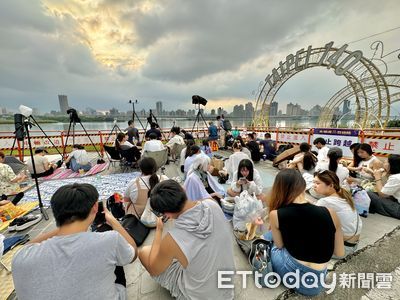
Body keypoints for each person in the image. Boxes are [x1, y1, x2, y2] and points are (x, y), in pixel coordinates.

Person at [12, 183, 137, 300]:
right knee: (116, 257)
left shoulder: (21, 257)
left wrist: (62, 228)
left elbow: (28, 246)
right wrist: (113, 221)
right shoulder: (110, 240)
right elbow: (133, 254)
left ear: (55, 211)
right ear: (94, 207)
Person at [139, 180, 235, 300]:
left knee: (144, 252)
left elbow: (154, 269)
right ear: (183, 190)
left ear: (167, 214)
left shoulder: (172, 239)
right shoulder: (212, 204)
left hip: (201, 296)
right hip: (227, 288)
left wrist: (159, 230)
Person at [268, 169, 344, 296]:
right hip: (318, 281)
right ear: (304, 187)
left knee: (270, 240)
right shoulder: (330, 212)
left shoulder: (276, 214)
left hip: (295, 275)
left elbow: (280, 246)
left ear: (278, 189)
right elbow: (340, 253)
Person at [314, 170, 362, 256]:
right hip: (352, 245)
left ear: (331, 185)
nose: (314, 186)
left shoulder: (325, 201)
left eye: (317, 183)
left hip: (341, 249)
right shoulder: (342, 195)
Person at [368, 154, 400, 219]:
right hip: (395, 199)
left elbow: (382, 194)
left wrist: (377, 177)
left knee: (369, 194)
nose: (383, 164)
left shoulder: (395, 177)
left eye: (385, 162)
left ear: (391, 165)